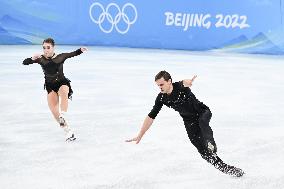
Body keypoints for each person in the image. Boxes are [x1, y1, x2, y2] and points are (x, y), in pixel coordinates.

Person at [126, 70, 244, 177]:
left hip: (202, 112)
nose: (160, 88)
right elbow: (151, 116)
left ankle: (211, 144)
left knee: (203, 123)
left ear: (169, 81)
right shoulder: (161, 98)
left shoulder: (178, 86)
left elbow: (185, 82)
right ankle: (228, 169)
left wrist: (189, 82)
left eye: (161, 84)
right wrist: (140, 134)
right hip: (189, 121)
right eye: (158, 85)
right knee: (200, 148)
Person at [22, 38, 87, 141]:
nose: (46, 50)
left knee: (64, 92)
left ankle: (64, 114)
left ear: (53, 48)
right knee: (53, 110)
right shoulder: (40, 59)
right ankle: (68, 131)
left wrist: (80, 50)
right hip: (50, 86)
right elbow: (24, 62)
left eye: (48, 47)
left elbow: (73, 53)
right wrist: (32, 58)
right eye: (44, 48)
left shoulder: (60, 57)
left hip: (62, 83)